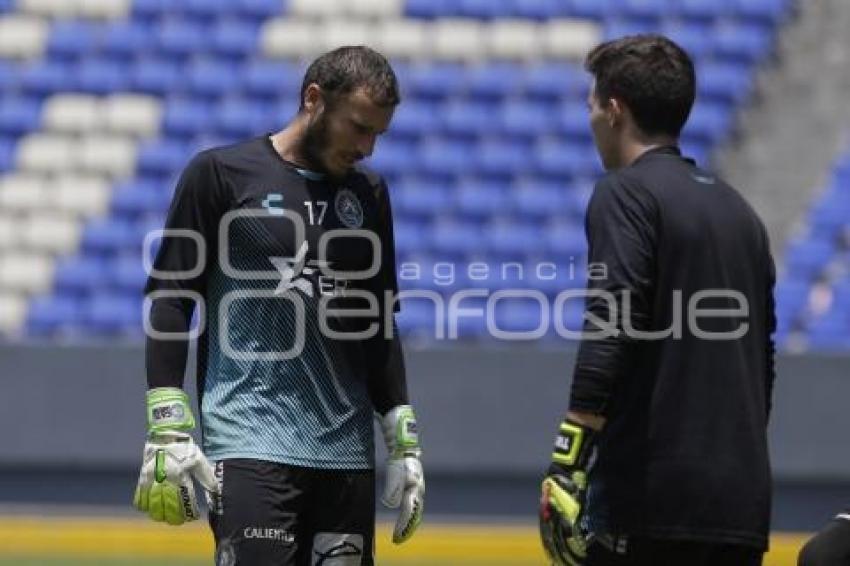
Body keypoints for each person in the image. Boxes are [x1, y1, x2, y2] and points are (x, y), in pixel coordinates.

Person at [132, 46, 424, 566]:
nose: (368, 148)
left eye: (378, 133)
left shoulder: (370, 193)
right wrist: (167, 424)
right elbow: (171, 299)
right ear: (314, 100)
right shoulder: (220, 174)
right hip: (250, 444)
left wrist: (401, 438)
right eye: (358, 128)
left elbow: (378, 322)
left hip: (346, 457)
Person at [538, 34, 776, 566]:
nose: (592, 119)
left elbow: (612, 323)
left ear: (615, 109)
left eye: (593, 105)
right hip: (740, 505)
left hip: (651, 499)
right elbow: (764, 362)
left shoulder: (625, 192)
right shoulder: (740, 212)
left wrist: (567, 461)